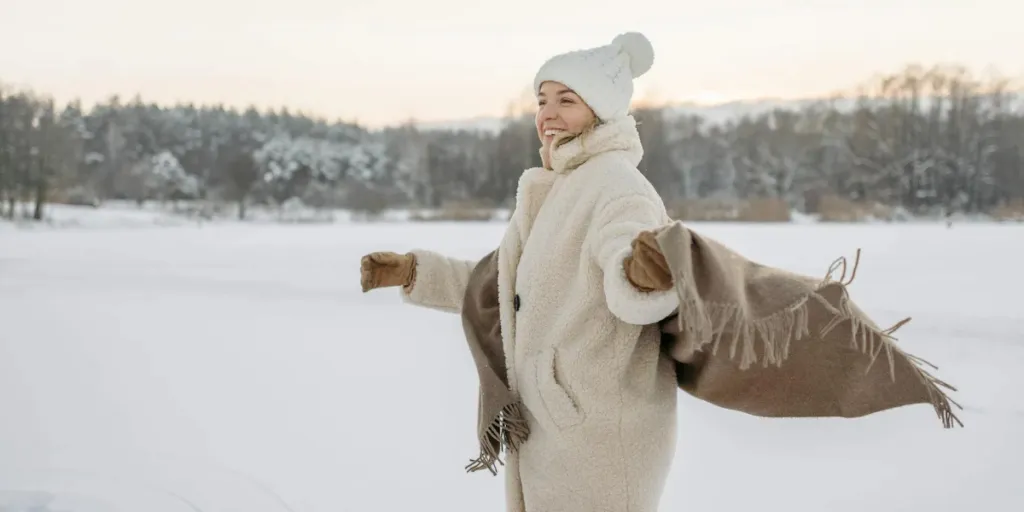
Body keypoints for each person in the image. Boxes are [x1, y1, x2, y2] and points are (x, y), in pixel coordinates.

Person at [361, 32, 683, 512]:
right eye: (542, 100)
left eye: (566, 100)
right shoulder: (556, 189)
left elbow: (635, 273)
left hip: (600, 433)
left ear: (601, 110)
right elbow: (506, 288)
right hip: (554, 425)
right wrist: (415, 272)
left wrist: (640, 273)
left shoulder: (617, 186)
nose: (548, 113)